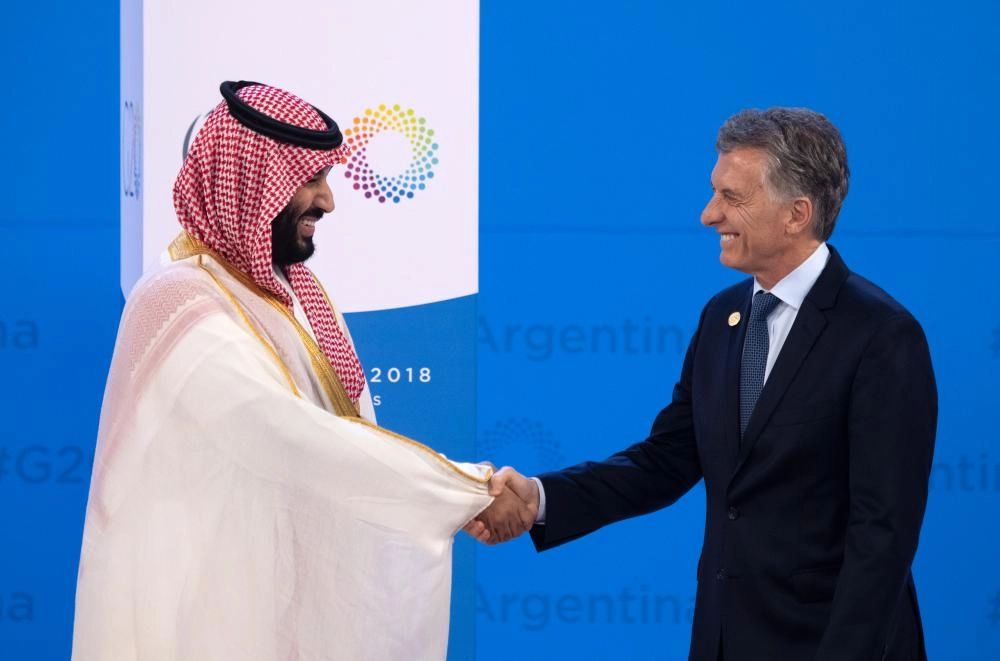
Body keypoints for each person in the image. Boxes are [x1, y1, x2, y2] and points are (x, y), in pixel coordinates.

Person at [468, 107, 937, 661]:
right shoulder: (723, 317)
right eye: (714, 192)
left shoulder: (882, 336)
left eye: (731, 197)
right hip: (724, 641)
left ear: (797, 214)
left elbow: (882, 536)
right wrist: (541, 499)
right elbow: (666, 460)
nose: (708, 214)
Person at [73, 81, 508, 661]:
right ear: (251, 184)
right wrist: (463, 488)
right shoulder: (178, 299)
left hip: (280, 610)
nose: (328, 201)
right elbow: (286, 436)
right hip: (206, 617)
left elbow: (352, 430)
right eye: (311, 179)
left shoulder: (293, 294)